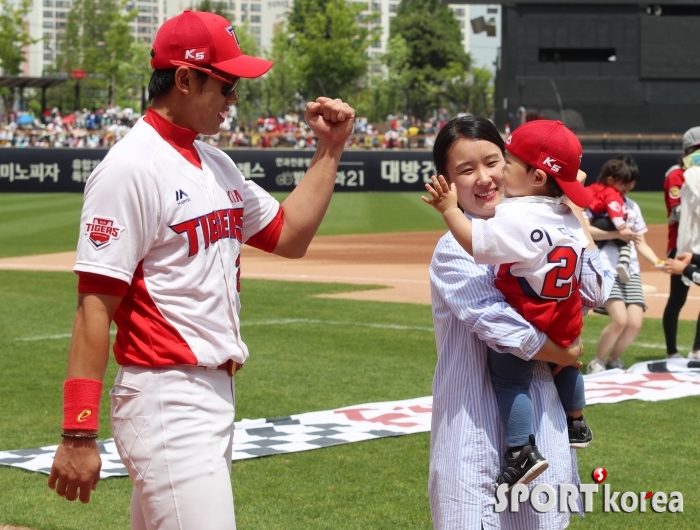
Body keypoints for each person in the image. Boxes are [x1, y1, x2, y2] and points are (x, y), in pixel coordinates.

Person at [47, 10, 355, 530]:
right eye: (227, 84)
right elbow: (95, 304)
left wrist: (330, 148)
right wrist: (78, 432)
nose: (234, 99)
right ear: (185, 79)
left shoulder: (216, 165)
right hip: (166, 397)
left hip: (210, 395)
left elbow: (290, 234)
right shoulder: (130, 167)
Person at [427, 116, 614, 529]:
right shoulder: (453, 249)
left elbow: (597, 292)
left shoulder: (548, 230)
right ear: (445, 181)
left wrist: (569, 216)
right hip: (473, 427)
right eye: (466, 169)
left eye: (494, 162)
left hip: (543, 424)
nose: (485, 178)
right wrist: (564, 352)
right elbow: (503, 327)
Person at [585, 155, 664, 373]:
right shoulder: (595, 201)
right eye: (626, 182)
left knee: (635, 323)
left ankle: (613, 359)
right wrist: (615, 233)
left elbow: (641, 242)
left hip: (631, 270)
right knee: (619, 320)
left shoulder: (632, 206)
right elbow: (586, 230)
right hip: (606, 268)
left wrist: (657, 261)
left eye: (631, 183)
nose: (628, 187)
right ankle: (597, 360)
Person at [662, 126, 700, 360]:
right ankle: (672, 353)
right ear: (689, 150)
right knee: (677, 299)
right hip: (681, 246)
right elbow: (677, 211)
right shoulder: (676, 174)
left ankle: (697, 349)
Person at [586, 159, 634, 283]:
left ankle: (591, 261)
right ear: (611, 180)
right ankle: (624, 262)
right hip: (606, 222)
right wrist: (620, 225)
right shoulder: (612, 192)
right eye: (622, 184)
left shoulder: (592, 188)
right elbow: (614, 208)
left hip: (593, 219)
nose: (624, 187)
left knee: (596, 244)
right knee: (625, 239)